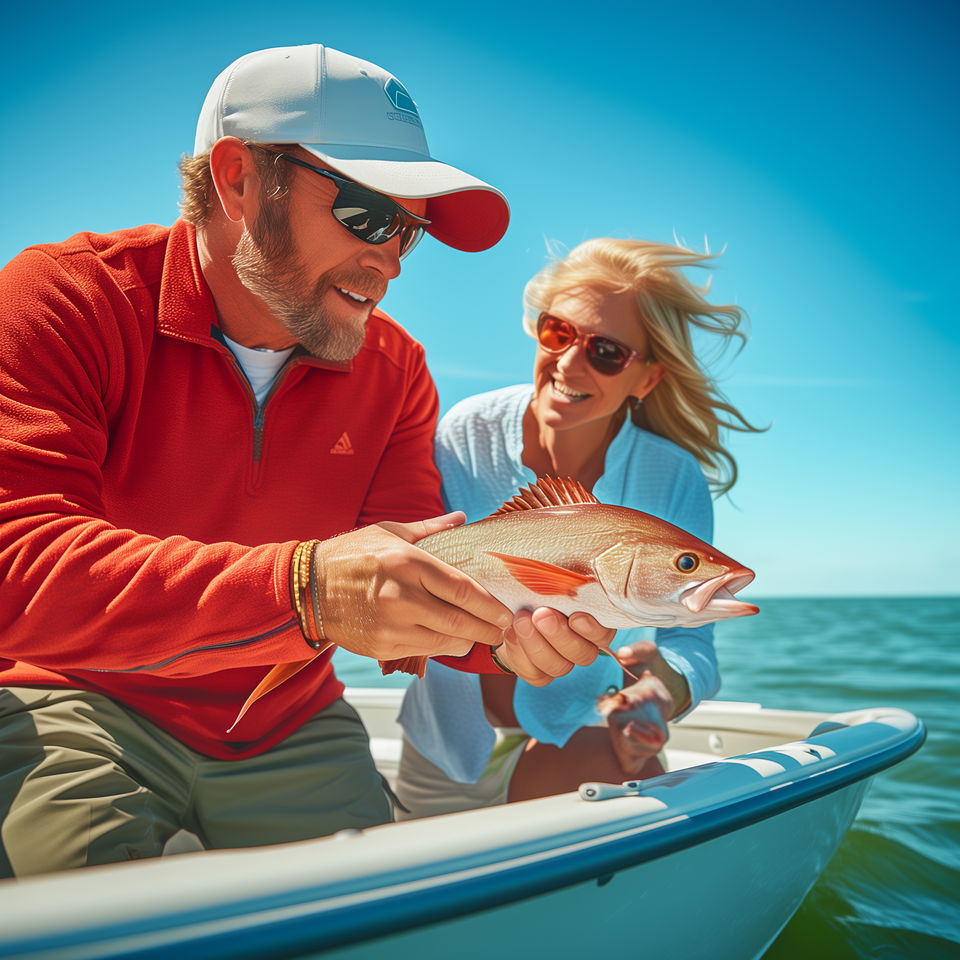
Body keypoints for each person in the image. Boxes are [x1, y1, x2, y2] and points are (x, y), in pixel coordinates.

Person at [0, 44, 611, 878]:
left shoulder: (396, 370)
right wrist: (303, 590)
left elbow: (417, 572)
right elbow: (17, 565)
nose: (392, 257)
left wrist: (510, 635)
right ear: (238, 177)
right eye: (368, 216)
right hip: (79, 697)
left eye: (410, 231)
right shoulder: (63, 299)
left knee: (384, 922)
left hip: (289, 717)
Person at [397, 238, 762, 816]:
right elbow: (418, 568)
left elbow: (692, 646)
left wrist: (657, 694)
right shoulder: (465, 430)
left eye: (607, 351)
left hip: (577, 732)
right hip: (448, 737)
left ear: (646, 378)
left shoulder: (671, 475)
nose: (568, 363)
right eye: (557, 333)